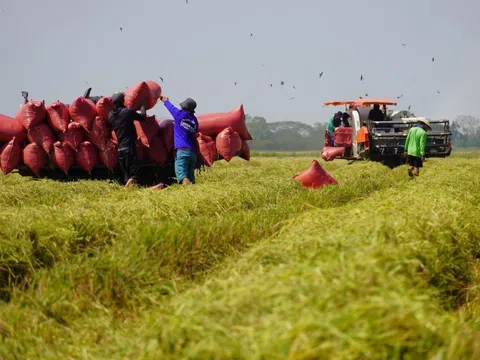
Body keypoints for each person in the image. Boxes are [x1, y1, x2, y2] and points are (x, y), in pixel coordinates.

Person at [108, 92, 146, 187]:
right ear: (123, 101)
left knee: (127, 176)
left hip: (120, 149)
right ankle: (125, 192)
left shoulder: (110, 116)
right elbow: (143, 118)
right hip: (129, 148)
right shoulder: (127, 112)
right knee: (134, 175)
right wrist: (143, 106)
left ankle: (129, 191)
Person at [160, 96, 199, 185]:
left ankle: (187, 189)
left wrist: (165, 100)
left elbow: (170, 107)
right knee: (190, 178)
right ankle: (192, 196)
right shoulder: (195, 120)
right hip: (192, 153)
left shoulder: (179, 115)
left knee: (182, 176)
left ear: (184, 107)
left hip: (182, 151)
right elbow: (196, 131)